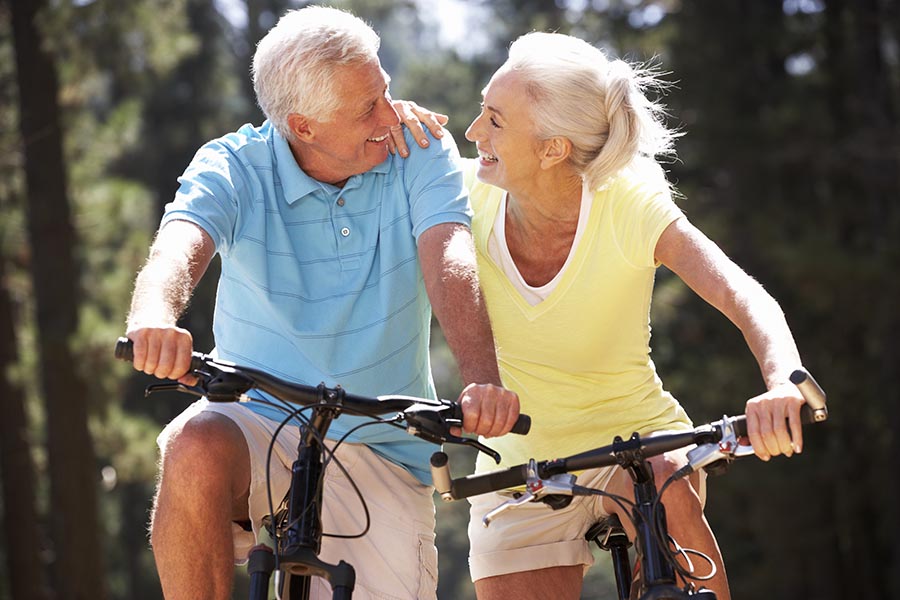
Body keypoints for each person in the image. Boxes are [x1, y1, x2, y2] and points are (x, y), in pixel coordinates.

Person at [124, 6, 520, 599]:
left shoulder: (418, 147)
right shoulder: (234, 165)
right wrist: (153, 318)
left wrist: (482, 379)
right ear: (302, 125)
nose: (390, 116)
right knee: (195, 444)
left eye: (384, 91)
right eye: (366, 109)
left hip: (382, 441)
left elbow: (448, 255)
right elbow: (180, 243)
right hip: (258, 418)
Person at [396, 31, 809, 600]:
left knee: (665, 482)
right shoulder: (460, 197)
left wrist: (783, 381)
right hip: (521, 464)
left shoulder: (628, 198)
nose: (473, 133)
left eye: (495, 119)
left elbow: (741, 293)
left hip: (640, 441)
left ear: (552, 149)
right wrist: (382, 128)